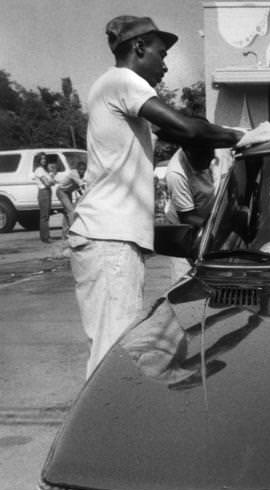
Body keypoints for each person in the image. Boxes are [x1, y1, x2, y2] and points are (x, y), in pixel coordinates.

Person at [67, 15, 243, 377]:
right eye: (162, 54)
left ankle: (109, 426)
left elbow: (186, 135)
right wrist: (244, 136)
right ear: (138, 47)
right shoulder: (123, 81)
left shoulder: (113, 90)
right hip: (109, 237)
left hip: (109, 238)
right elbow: (187, 128)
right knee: (111, 358)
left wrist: (229, 136)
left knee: (114, 349)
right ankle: (106, 430)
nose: (165, 64)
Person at [163, 143, 227, 281]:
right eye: (199, 158)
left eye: (208, 156)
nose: (206, 162)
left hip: (215, 226)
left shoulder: (224, 144)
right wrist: (219, 225)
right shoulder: (176, 173)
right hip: (187, 232)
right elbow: (187, 216)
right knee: (185, 286)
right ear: (187, 151)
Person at [55, 159, 87, 237]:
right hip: (61, 191)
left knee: (67, 212)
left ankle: (65, 234)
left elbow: (79, 189)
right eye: (81, 169)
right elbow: (81, 185)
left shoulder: (81, 175)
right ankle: (74, 233)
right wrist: (86, 193)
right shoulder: (74, 173)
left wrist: (83, 195)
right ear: (77, 169)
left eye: (84, 169)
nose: (82, 171)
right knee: (71, 211)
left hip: (68, 192)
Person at [33, 155, 58, 243]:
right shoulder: (39, 170)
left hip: (47, 192)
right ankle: (45, 237)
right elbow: (47, 183)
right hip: (44, 192)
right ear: (38, 160)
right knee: (44, 216)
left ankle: (45, 236)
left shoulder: (44, 170)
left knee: (46, 215)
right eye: (42, 159)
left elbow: (51, 181)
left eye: (44, 159)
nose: (44, 160)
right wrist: (52, 181)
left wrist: (51, 179)